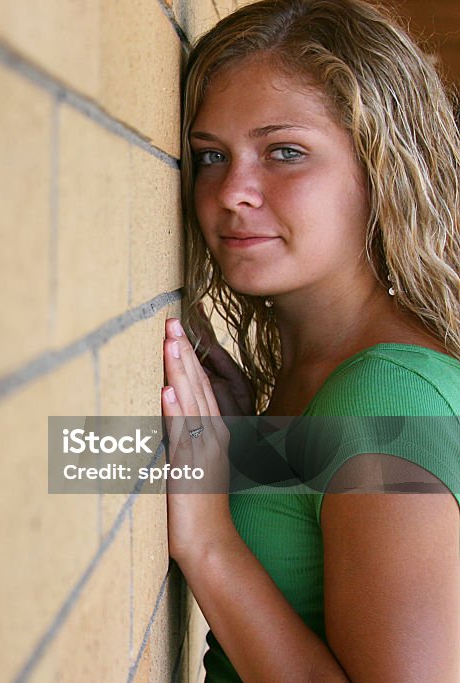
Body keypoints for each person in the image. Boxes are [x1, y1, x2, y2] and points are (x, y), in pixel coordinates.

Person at [161, 0, 460, 680]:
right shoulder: (324, 376)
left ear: (382, 169)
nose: (233, 191)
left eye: (284, 152)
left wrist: (210, 542)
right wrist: (254, 450)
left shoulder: (388, 398)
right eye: (211, 155)